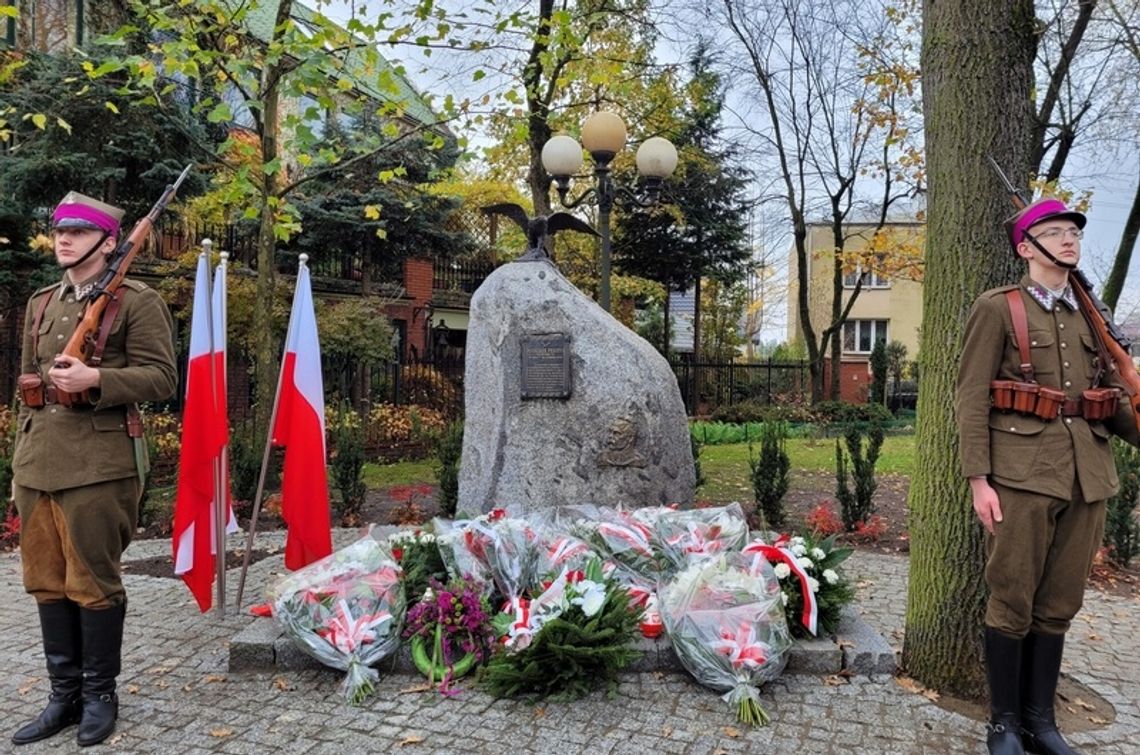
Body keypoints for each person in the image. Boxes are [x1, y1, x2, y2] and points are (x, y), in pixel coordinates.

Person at [956, 197, 1139, 755]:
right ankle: (1004, 723)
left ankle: (1042, 722)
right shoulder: (998, 308)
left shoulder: (1093, 314)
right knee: (1011, 598)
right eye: (1056, 233)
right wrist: (978, 479)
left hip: (1088, 477)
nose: (1069, 241)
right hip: (1021, 475)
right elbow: (969, 398)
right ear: (1025, 247)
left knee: (1060, 602)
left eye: (1074, 234)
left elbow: (1112, 400)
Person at [10, 192, 176, 747]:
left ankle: (100, 696)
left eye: (78, 233)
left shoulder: (136, 300)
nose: (64, 239)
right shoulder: (41, 301)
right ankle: (64, 696)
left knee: (93, 582)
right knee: (45, 581)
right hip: (38, 462)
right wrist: (19, 459)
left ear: (108, 243)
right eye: (59, 230)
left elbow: (162, 379)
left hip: (99, 464)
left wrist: (98, 380)